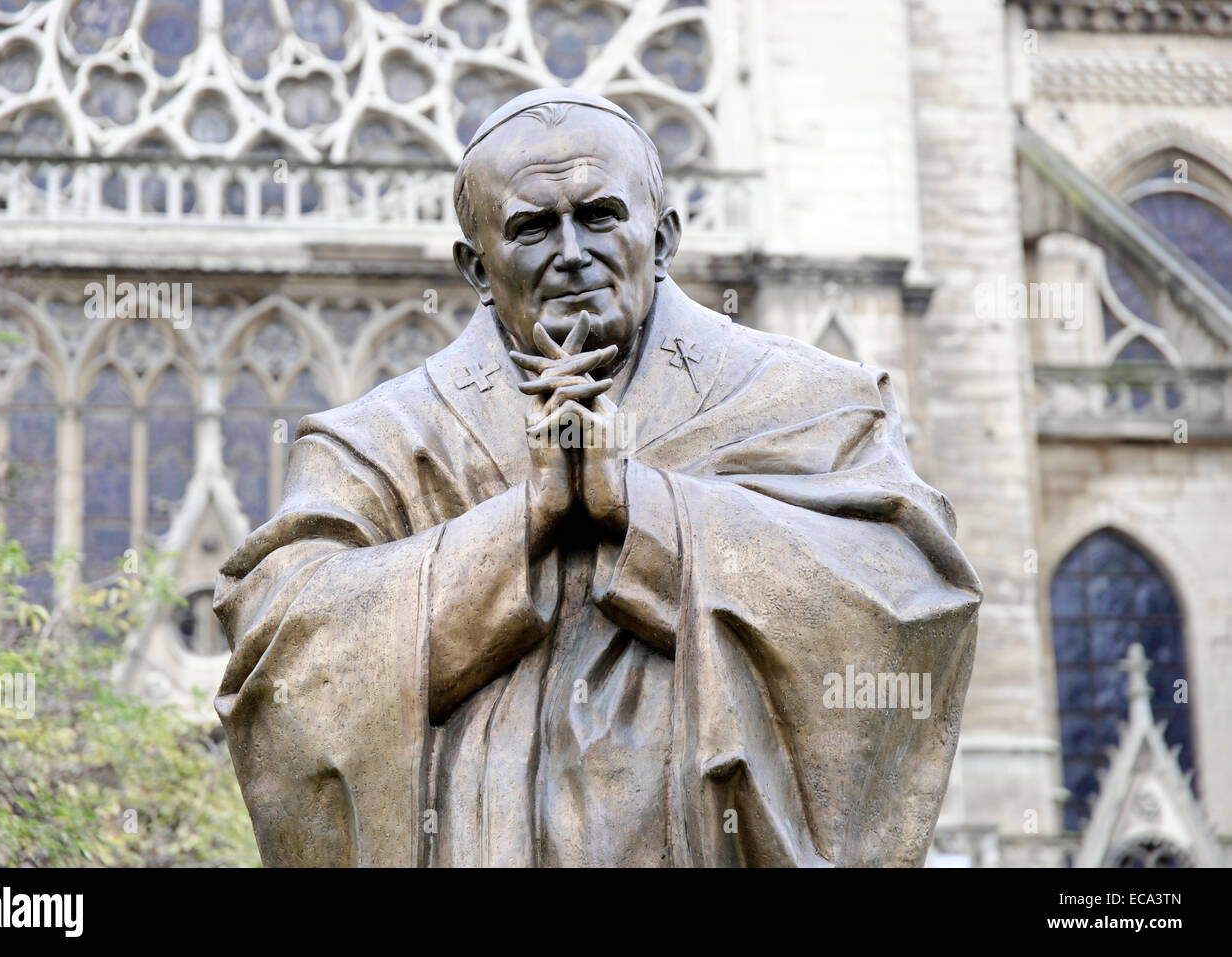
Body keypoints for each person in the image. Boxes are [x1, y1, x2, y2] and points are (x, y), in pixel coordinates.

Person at [213, 88, 982, 867]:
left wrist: (642, 509)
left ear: (665, 236)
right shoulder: (378, 440)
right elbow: (281, 657)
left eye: (601, 214)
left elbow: (912, 595)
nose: (572, 250)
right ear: (475, 268)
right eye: (531, 227)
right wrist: (528, 517)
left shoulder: (812, 400)